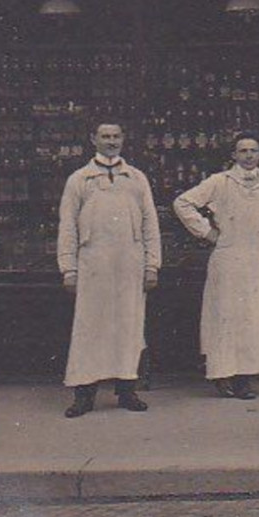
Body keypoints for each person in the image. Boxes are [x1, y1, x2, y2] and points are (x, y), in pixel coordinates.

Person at [172, 132, 259, 400]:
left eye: (253, 150)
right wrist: (207, 233)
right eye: (243, 151)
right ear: (234, 156)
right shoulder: (220, 182)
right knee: (226, 318)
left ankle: (243, 380)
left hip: (256, 261)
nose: (248, 156)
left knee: (252, 320)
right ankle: (221, 375)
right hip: (227, 260)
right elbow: (183, 203)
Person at [57, 123, 161, 419]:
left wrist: (152, 264)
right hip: (94, 265)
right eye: (105, 136)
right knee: (90, 328)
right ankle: (83, 394)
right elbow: (67, 227)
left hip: (130, 264)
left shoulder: (137, 179)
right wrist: (69, 269)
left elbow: (149, 224)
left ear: (123, 139)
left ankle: (127, 390)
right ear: (93, 139)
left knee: (128, 327)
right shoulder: (80, 179)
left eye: (116, 136)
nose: (111, 141)